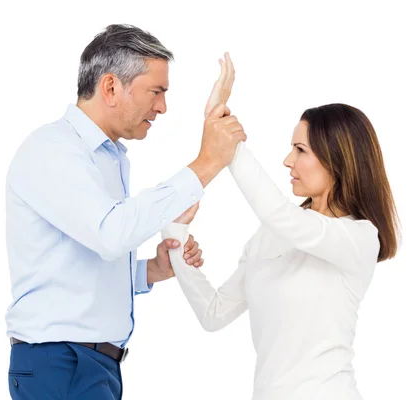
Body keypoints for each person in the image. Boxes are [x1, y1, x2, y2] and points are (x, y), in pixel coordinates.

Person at [4, 25, 246, 399]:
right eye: (157, 91)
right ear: (111, 87)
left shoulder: (108, 157)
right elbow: (111, 234)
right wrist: (207, 163)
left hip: (92, 366)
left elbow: (77, 263)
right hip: (62, 363)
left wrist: (151, 269)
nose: (163, 106)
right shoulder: (52, 149)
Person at [161, 54, 400, 399]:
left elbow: (282, 216)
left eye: (300, 149)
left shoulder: (359, 238)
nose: (288, 160)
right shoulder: (271, 235)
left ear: (338, 160)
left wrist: (225, 134)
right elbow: (214, 314)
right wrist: (175, 236)